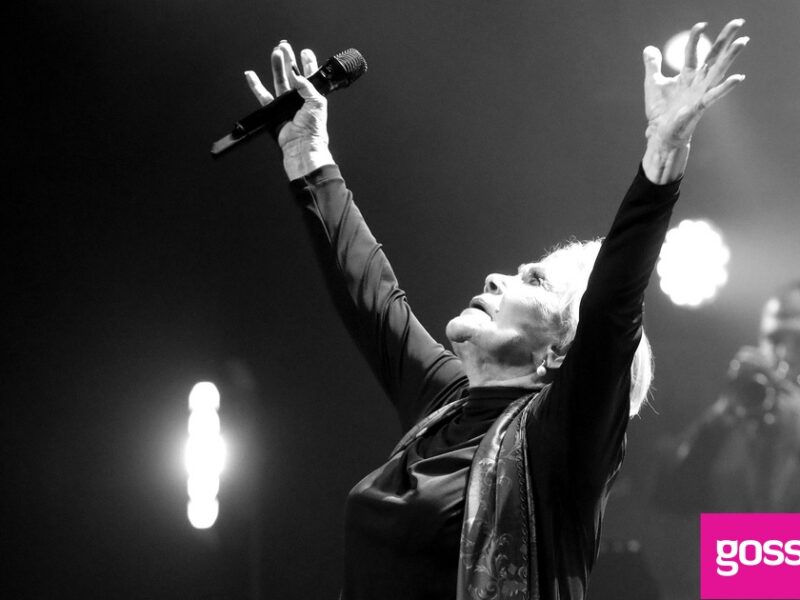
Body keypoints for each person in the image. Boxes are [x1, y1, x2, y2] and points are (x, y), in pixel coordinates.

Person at [243, 19, 748, 600]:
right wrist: (309, 155)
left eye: (534, 280)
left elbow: (613, 308)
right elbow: (373, 297)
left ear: (560, 350)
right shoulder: (447, 403)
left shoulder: (560, 441)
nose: (496, 277)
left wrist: (662, 158)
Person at [653, 282, 800, 514]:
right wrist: (721, 417)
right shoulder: (737, 417)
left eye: (799, 342)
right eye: (775, 340)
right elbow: (669, 499)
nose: (785, 355)